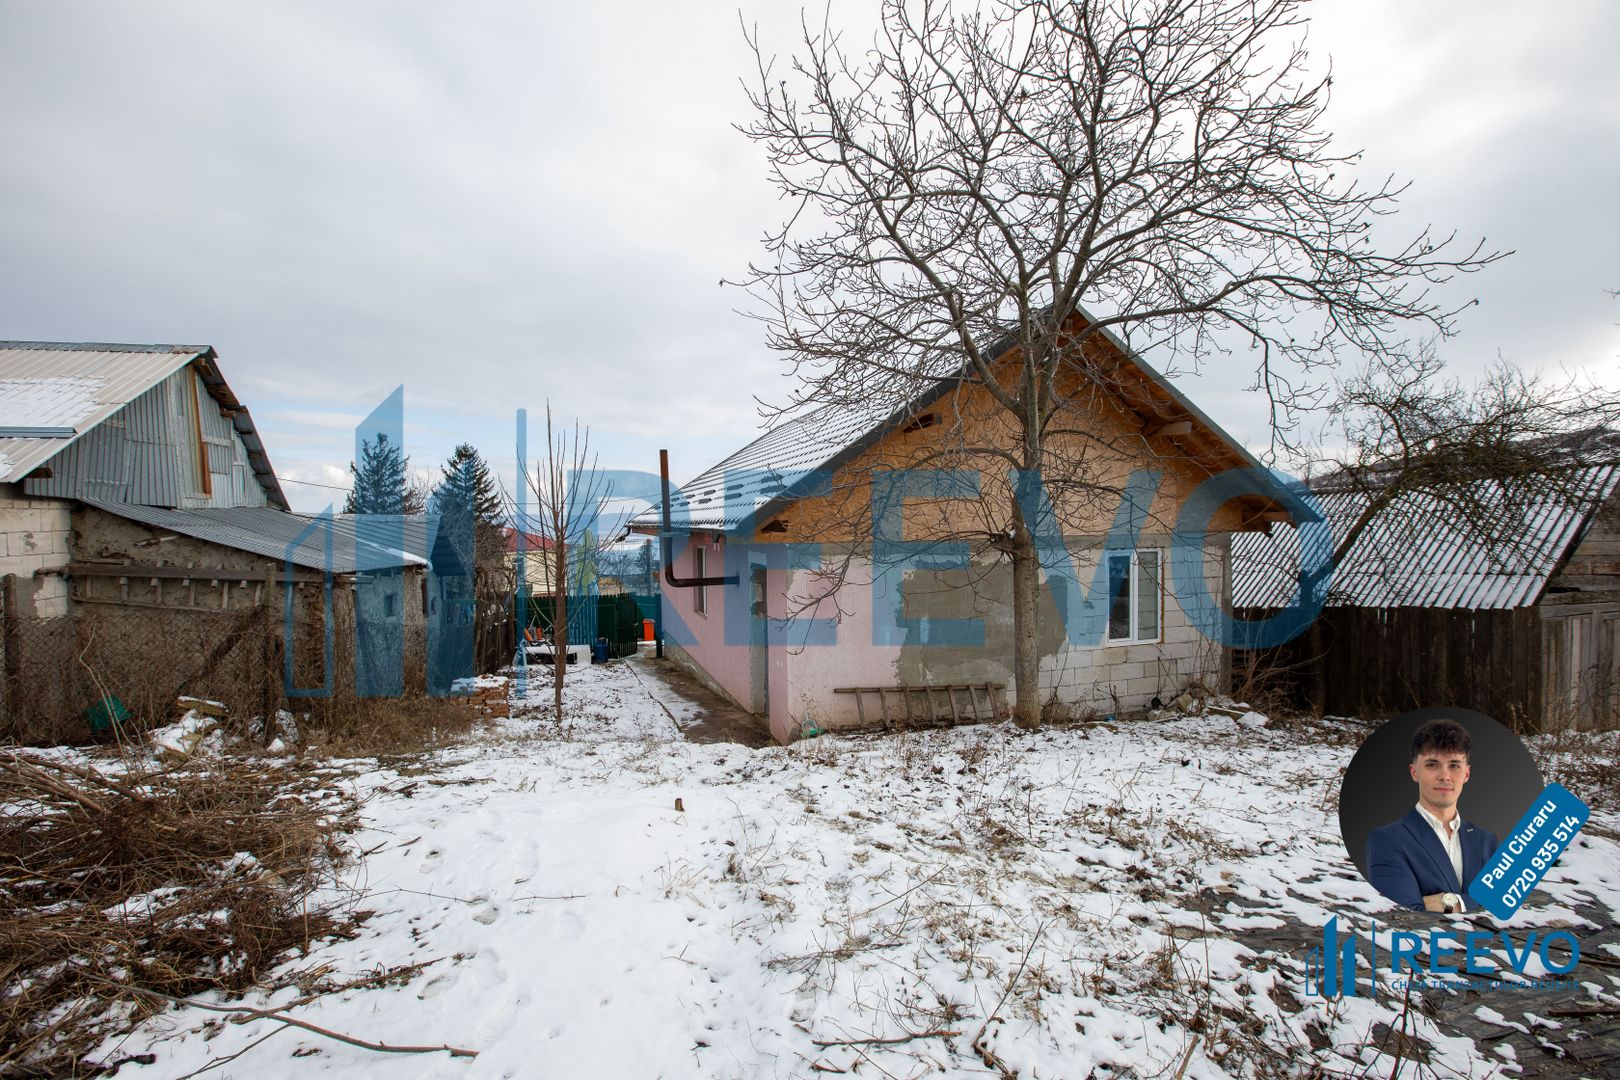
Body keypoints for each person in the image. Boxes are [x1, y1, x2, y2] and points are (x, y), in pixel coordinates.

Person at [1366, 718, 1500, 913]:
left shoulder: (1487, 841)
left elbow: (1501, 906)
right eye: (1432, 765)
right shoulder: (1386, 840)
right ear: (1414, 772)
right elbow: (1403, 914)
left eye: (1454, 765)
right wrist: (1475, 902)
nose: (1444, 776)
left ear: (1467, 774)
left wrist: (1451, 903)